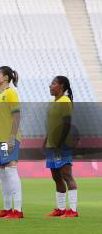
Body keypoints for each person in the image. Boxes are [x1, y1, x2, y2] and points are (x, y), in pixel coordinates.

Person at [0, 66, 23, 219]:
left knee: (10, 170)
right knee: (2, 172)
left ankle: (17, 210)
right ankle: (7, 208)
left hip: (9, 138)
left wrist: (12, 136)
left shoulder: (11, 93)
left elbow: (16, 116)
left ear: (5, 78)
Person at [45, 76, 78, 218]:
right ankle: (60, 209)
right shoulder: (53, 103)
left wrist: (59, 143)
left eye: (53, 83)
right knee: (56, 177)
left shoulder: (65, 101)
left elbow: (67, 124)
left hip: (62, 145)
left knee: (67, 175)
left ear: (61, 86)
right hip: (51, 145)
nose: (50, 86)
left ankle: (73, 210)